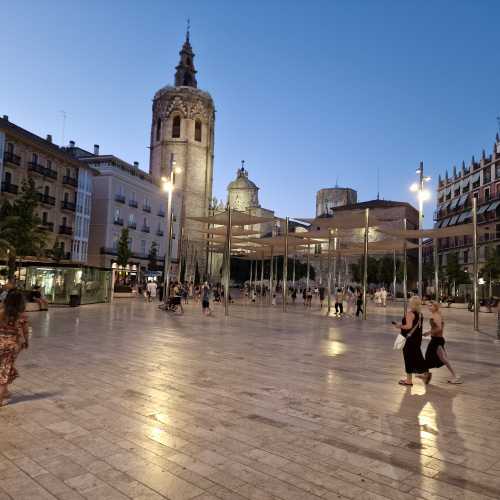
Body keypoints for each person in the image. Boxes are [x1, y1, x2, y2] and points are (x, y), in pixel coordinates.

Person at [0, 290, 30, 406]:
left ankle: (5, 391)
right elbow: (25, 332)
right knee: (4, 371)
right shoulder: (22, 316)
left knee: (5, 367)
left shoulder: (1, 313)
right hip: (12, 347)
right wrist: (26, 342)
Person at [393, 296, 430, 386]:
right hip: (417, 339)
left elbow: (408, 326)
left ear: (412, 304)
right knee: (418, 357)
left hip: (409, 340)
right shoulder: (420, 314)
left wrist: (399, 326)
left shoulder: (410, 314)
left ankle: (409, 380)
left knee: (408, 358)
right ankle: (426, 373)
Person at [423, 302, 462, 384]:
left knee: (436, 358)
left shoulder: (436, 315)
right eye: (428, 306)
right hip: (436, 339)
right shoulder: (436, 314)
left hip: (436, 340)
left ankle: (456, 376)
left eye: (431, 306)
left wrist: (428, 333)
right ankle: (427, 375)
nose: (429, 307)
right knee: (441, 358)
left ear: (435, 307)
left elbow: (439, 328)